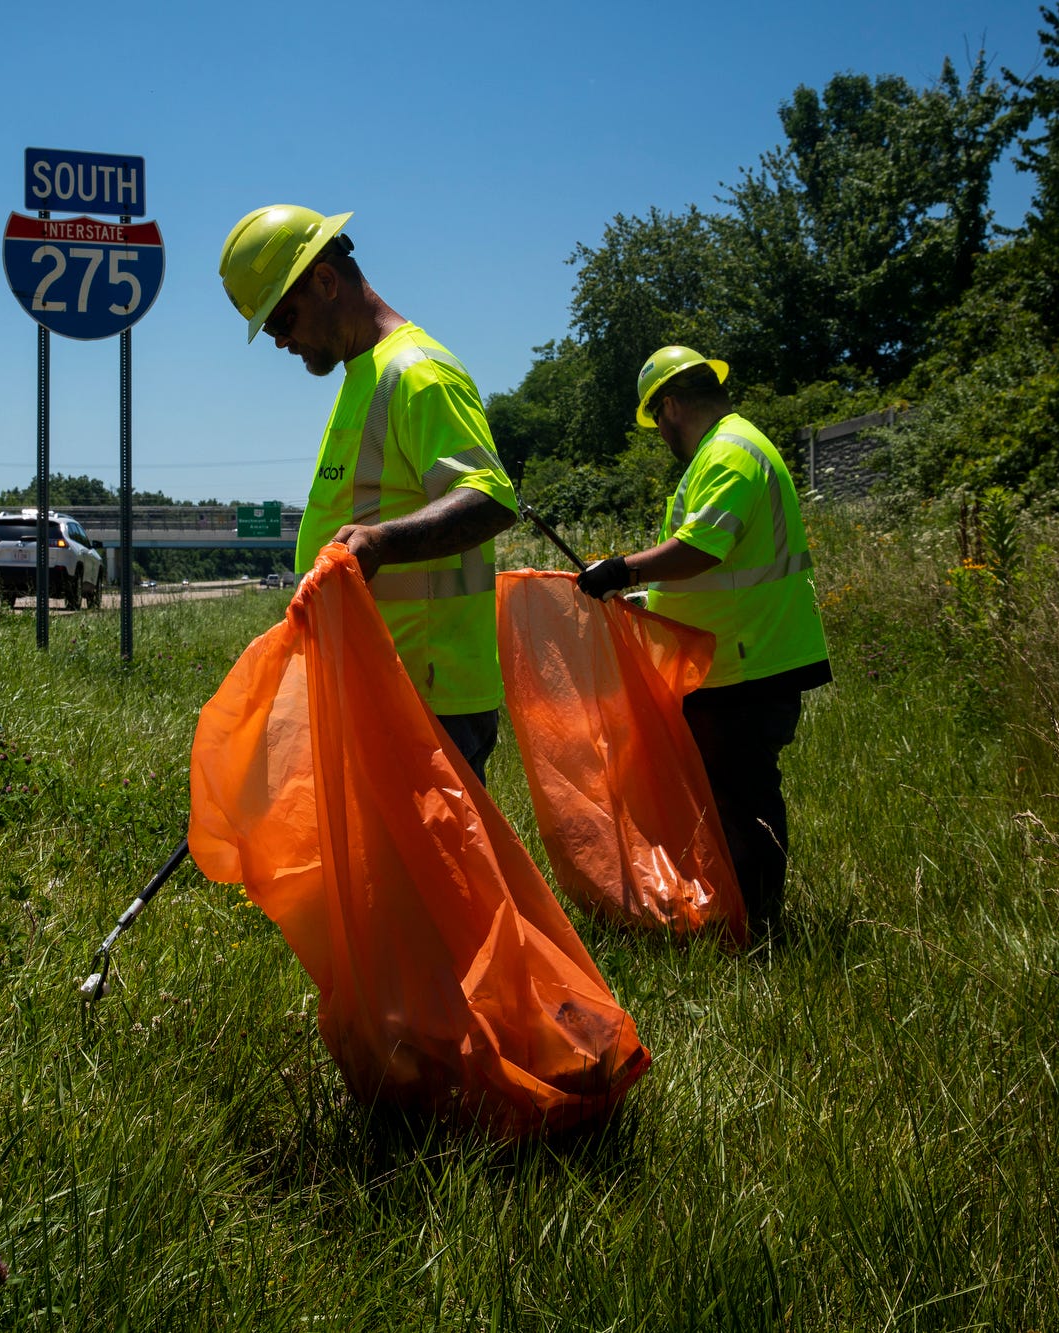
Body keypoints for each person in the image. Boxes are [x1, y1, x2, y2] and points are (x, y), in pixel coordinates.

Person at [218, 205, 517, 778]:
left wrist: (382, 541)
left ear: (326, 281)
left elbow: (491, 496)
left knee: (424, 873)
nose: (282, 342)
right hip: (383, 688)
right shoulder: (364, 375)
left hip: (427, 699)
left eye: (283, 320)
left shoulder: (416, 371)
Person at [575, 346, 831, 935]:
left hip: (747, 661)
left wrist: (621, 569)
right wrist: (646, 602)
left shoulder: (729, 452)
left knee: (744, 802)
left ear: (669, 406)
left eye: (658, 422)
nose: (661, 434)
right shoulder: (729, 449)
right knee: (730, 798)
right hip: (735, 656)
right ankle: (739, 916)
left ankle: (759, 929)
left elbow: (700, 548)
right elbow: (719, 569)